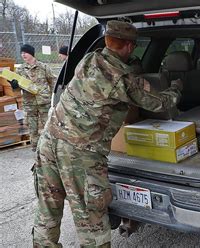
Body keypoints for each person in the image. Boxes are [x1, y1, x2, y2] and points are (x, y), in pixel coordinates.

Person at [32, 20, 183, 247]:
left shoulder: (88, 59)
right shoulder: (121, 78)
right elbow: (159, 103)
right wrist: (177, 88)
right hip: (80, 156)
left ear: (106, 41)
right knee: (91, 220)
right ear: (130, 46)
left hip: (48, 142)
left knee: (47, 213)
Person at [16, 44, 57, 151]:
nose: (23, 54)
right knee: (32, 127)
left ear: (31, 53)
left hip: (44, 101)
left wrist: (54, 97)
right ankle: (36, 148)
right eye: (22, 53)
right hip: (29, 103)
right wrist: (14, 85)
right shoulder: (20, 70)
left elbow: (53, 82)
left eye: (25, 52)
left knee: (48, 125)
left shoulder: (43, 67)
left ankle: (51, 147)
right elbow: (16, 89)